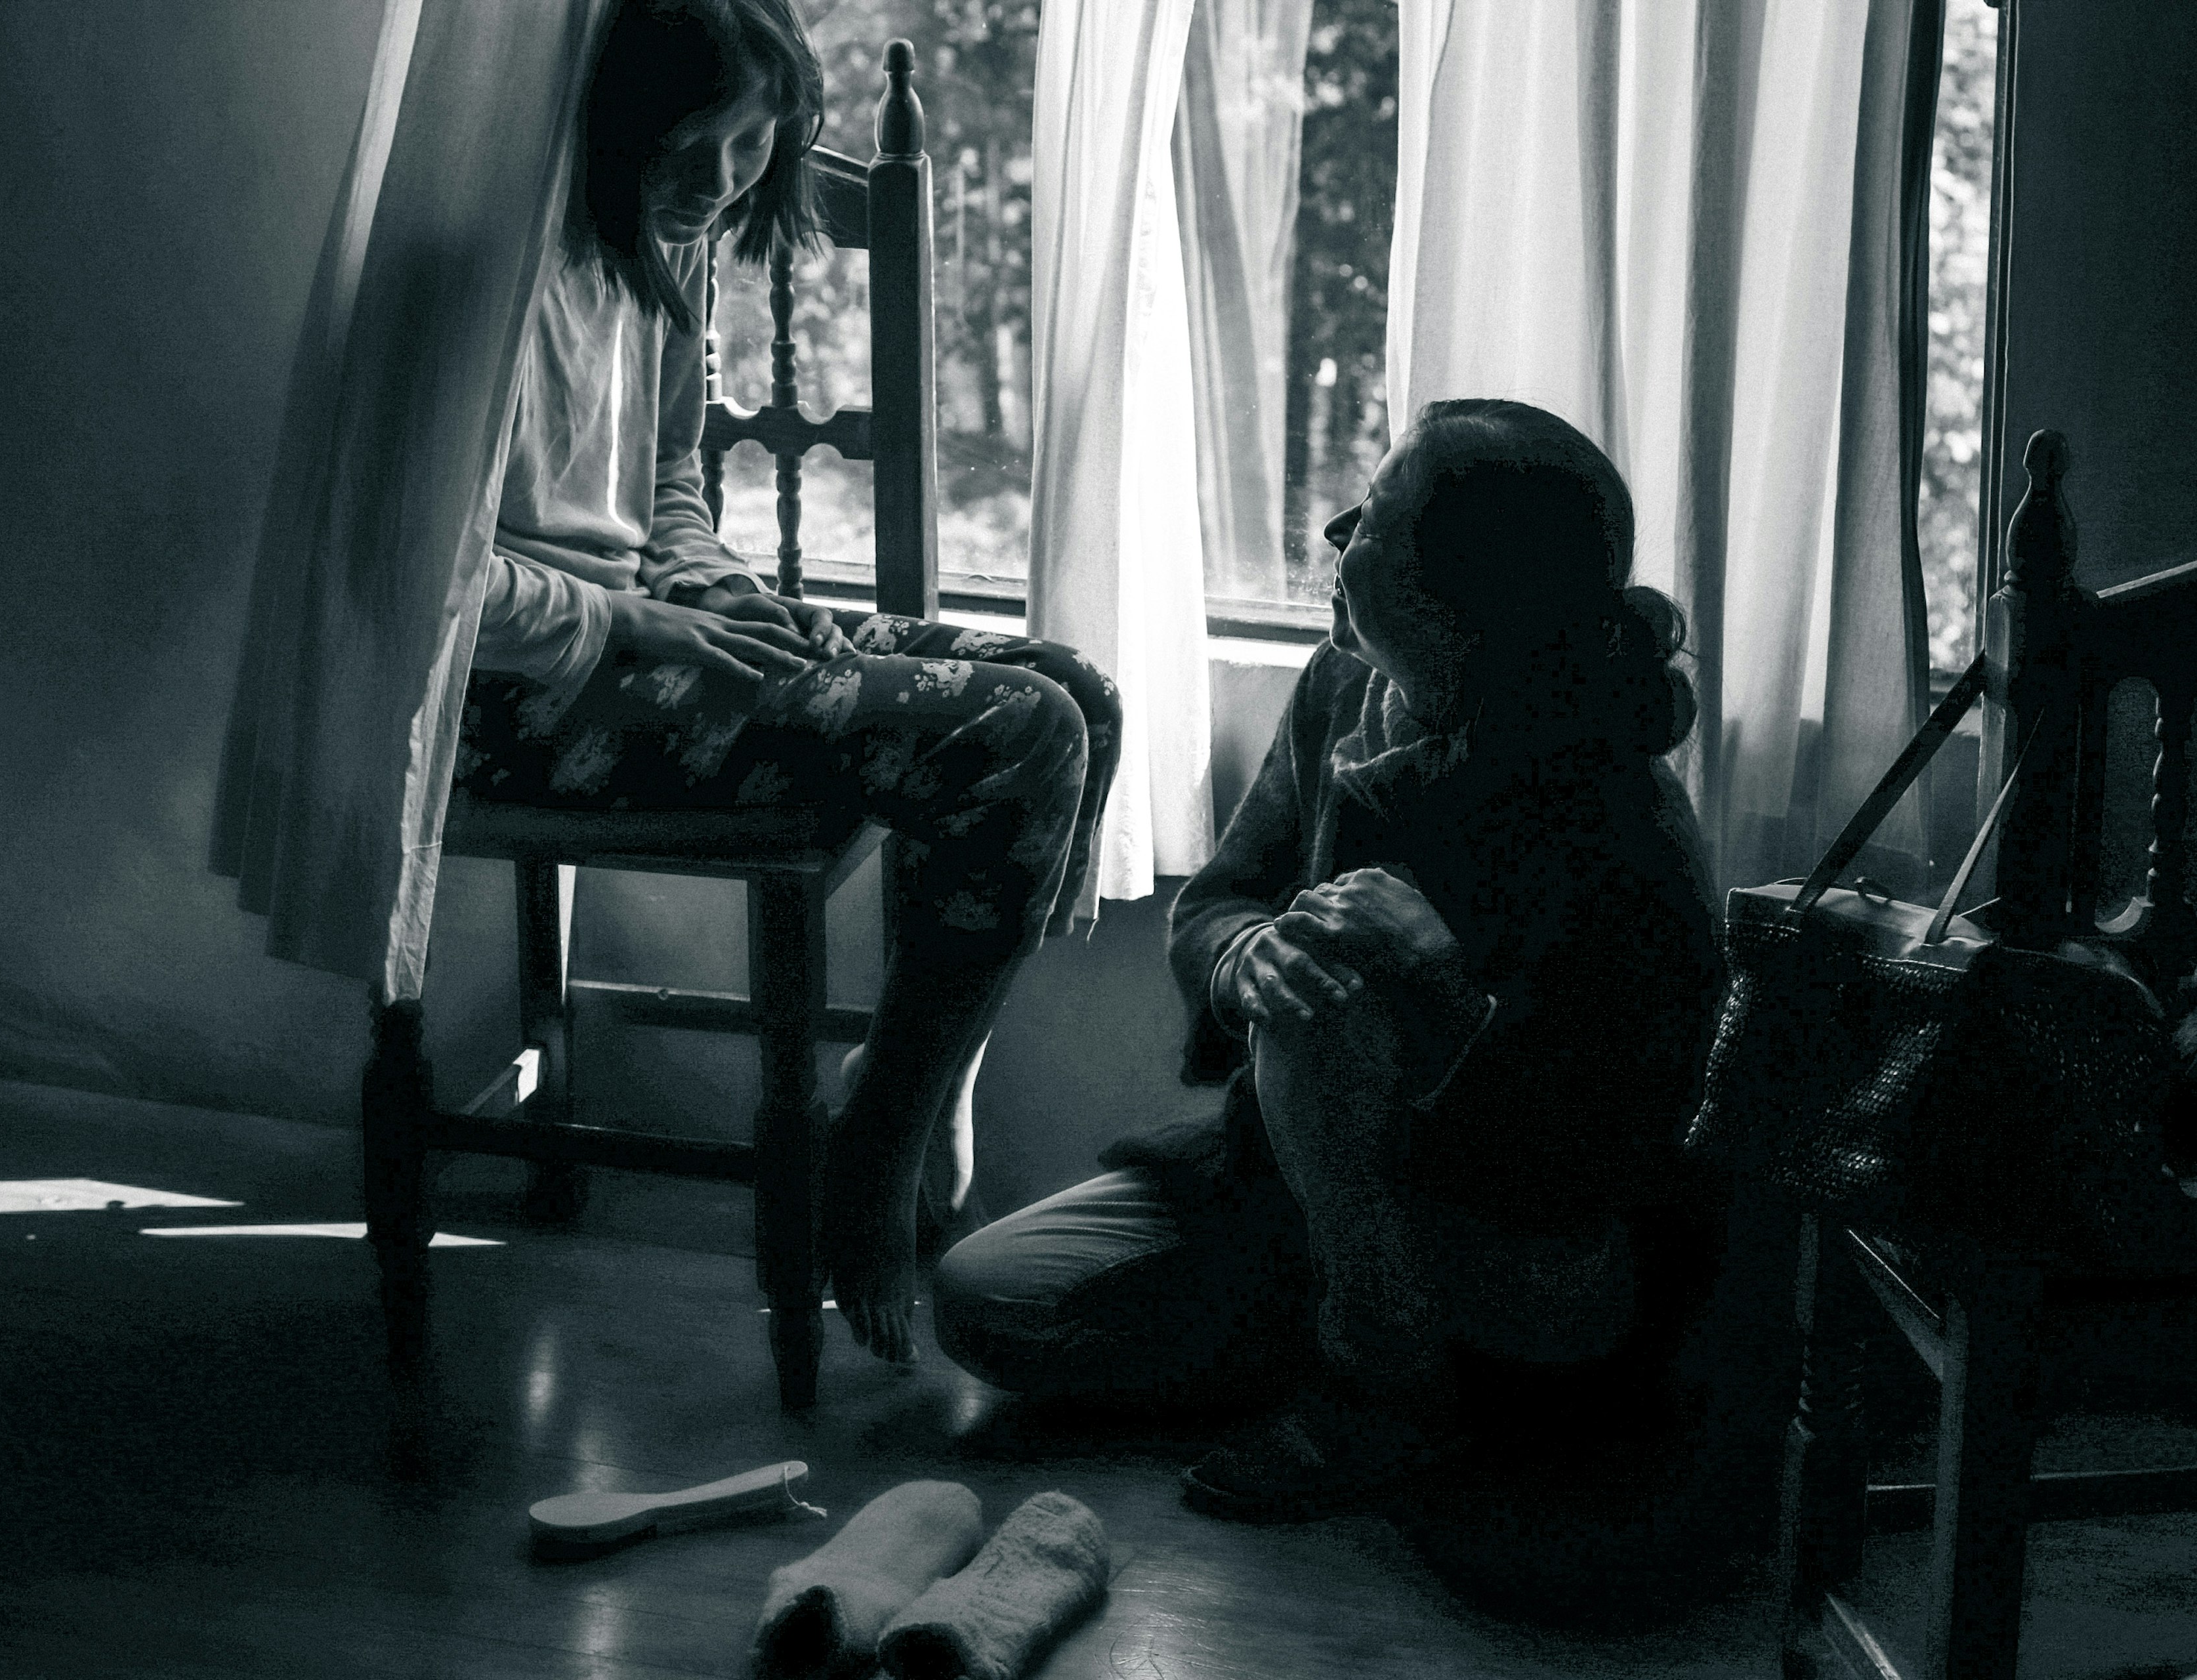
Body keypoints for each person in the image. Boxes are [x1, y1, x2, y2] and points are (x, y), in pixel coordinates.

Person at [455, 0, 1120, 1370]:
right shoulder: (490, 273)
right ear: (621, 121)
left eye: (757, 143)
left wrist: (707, 585)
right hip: (523, 693)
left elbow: (669, 488)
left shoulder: (663, 256)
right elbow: (432, 582)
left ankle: (903, 1086)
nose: (724, 175)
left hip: (645, 637)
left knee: (1079, 694)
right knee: (1017, 733)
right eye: (696, 140)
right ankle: (876, 1152)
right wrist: (636, 619)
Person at [930, 398, 1725, 1520]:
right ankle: (1362, 1336)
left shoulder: (1621, 817)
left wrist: (1452, 990)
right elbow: (1221, 900)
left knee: (1333, 1000)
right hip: (1290, 1189)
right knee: (984, 1302)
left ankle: (1385, 1387)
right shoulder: (1341, 689)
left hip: (1529, 1238)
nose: (1338, 537)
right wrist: (1245, 959)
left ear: (1465, 595)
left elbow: (1607, 1140)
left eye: (1378, 521)